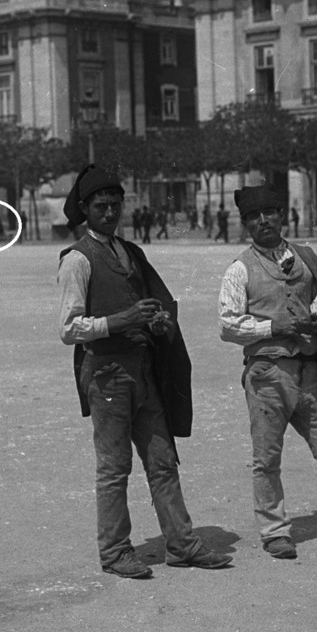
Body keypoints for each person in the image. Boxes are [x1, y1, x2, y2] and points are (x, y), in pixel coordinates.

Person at [57, 164, 232, 578]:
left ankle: (182, 544)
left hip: (142, 371)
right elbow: (68, 329)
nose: (110, 213)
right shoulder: (77, 261)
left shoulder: (130, 251)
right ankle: (115, 552)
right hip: (106, 375)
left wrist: (156, 322)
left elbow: (150, 302)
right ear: (85, 208)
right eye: (101, 206)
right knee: (115, 468)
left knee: (162, 461)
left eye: (116, 205)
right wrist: (123, 319)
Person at [218, 184, 317, 560]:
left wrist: (316, 322)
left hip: (310, 373)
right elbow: (227, 324)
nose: (263, 221)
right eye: (254, 217)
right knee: (267, 459)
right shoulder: (239, 269)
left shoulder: (305, 258)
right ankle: (274, 531)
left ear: (281, 215)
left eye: (269, 212)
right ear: (246, 224)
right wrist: (273, 329)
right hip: (267, 375)